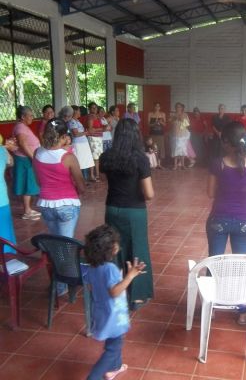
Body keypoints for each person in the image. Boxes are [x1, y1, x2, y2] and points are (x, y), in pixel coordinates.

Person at [206, 121, 246, 324]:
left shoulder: (218, 164)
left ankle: (210, 306)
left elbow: (210, 193)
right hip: (244, 222)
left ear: (227, 143)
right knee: (240, 265)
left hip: (218, 219)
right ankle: (242, 311)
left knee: (214, 262)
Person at [99, 119, 154, 309]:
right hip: (134, 211)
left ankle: (115, 287)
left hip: (112, 208)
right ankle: (137, 296)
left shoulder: (106, 156)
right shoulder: (140, 159)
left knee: (114, 249)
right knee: (137, 249)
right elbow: (149, 193)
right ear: (135, 135)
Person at [83, 224, 146, 380]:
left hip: (101, 312)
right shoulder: (110, 268)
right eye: (115, 242)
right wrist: (130, 276)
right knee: (113, 348)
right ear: (110, 249)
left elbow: (91, 287)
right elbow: (115, 291)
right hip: (113, 316)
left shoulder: (92, 267)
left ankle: (115, 368)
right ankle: (94, 377)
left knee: (114, 341)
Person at [33, 118, 85, 238]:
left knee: (55, 239)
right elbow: (82, 187)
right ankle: (63, 257)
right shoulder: (68, 157)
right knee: (66, 242)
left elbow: (38, 181)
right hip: (67, 203)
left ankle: (55, 256)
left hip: (46, 203)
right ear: (63, 136)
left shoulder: (37, 153)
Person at [12, 105, 41, 220]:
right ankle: (27, 211)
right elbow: (23, 144)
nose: (32, 118)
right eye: (30, 115)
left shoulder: (23, 126)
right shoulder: (20, 127)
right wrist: (33, 158)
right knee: (27, 184)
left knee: (29, 183)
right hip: (25, 160)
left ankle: (28, 209)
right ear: (23, 116)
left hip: (26, 159)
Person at [66, 105, 94, 180]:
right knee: (80, 161)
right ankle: (80, 179)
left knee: (85, 161)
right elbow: (76, 134)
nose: (80, 112)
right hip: (78, 144)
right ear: (74, 112)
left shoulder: (77, 120)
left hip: (83, 143)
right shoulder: (72, 121)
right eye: (78, 110)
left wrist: (85, 133)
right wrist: (86, 133)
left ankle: (84, 178)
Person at [0, 136, 18, 252]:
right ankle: (6, 259)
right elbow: (11, 162)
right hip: (1, 199)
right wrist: (6, 148)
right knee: (4, 230)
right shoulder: (2, 150)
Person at [170, 102, 190, 170]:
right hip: (175, 135)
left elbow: (187, 124)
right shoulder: (173, 114)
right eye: (177, 107)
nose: (178, 108)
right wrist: (174, 119)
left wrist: (181, 119)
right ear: (175, 108)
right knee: (175, 150)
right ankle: (175, 165)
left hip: (183, 135)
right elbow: (170, 122)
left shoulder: (185, 114)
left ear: (182, 108)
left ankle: (182, 165)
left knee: (183, 150)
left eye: (179, 107)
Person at [87, 102, 104, 182]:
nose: (94, 109)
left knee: (97, 158)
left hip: (98, 138)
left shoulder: (97, 117)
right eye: (93, 108)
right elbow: (90, 130)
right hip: (93, 138)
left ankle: (97, 175)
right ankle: (92, 175)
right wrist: (102, 129)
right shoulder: (91, 117)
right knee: (94, 158)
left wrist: (102, 128)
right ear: (89, 109)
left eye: (96, 108)